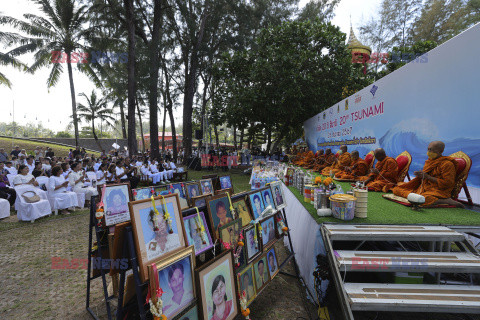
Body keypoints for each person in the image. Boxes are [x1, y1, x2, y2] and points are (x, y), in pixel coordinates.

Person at [392, 141, 464, 208]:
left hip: (438, 191)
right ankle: (421, 198)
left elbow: (448, 183)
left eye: (432, 150)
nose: (429, 152)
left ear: (440, 151)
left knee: (424, 199)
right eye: (428, 149)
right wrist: (420, 175)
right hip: (424, 188)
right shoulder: (429, 161)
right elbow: (425, 177)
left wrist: (428, 177)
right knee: (397, 189)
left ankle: (445, 201)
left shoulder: (447, 164)